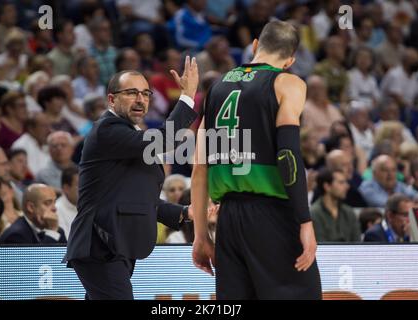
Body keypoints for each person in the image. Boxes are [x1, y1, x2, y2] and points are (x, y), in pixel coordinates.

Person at [192, 20, 321, 299]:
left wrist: (200, 235)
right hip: (272, 216)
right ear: (290, 60)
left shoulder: (216, 88)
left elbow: (200, 167)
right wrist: (305, 220)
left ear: (254, 47)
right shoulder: (288, 83)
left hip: (229, 220)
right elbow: (287, 155)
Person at [64, 56, 199, 300]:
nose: (141, 100)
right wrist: (188, 96)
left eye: (146, 94)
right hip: (99, 245)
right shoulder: (108, 130)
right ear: (111, 99)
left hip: (116, 246)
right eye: (132, 93)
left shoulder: (129, 137)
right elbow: (166, 139)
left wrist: (183, 213)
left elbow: (139, 198)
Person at [0, 183, 66, 244]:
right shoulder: (15, 235)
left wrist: (53, 231)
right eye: (48, 203)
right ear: (30, 207)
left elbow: (69, 256)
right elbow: (40, 256)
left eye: (54, 202)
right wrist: (52, 232)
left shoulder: (58, 231)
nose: (54, 208)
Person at [310, 169, 361, 242]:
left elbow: (357, 243)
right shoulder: (314, 213)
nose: (347, 186)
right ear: (327, 186)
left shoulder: (349, 212)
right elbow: (321, 244)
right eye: (341, 182)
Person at [56, 166, 79, 240]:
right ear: (66, 188)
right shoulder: (57, 210)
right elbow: (66, 243)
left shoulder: (87, 206)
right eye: (79, 185)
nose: (84, 189)